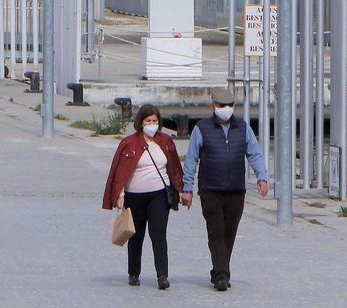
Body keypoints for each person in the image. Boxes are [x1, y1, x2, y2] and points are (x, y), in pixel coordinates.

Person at [181, 88, 269, 292]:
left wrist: (262, 177)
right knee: (216, 232)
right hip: (210, 188)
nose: (226, 109)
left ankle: (219, 269)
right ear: (213, 106)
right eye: (221, 106)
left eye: (230, 106)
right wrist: (187, 188)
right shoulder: (201, 128)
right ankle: (222, 275)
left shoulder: (242, 127)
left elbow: (254, 153)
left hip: (236, 189)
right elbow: (191, 159)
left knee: (229, 232)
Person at [101, 104, 184, 290]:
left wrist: (182, 191)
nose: (152, 124)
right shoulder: (129, 143)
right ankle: (133, 273)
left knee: (158, 235)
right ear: (141, 123)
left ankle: (162, 275)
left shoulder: (166, 142)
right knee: (135, 236)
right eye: (148, 121)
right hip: (134, 197)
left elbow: (175, 169)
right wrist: (119, 195)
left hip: (159, 196)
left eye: (155, 121)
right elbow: (120, 171)